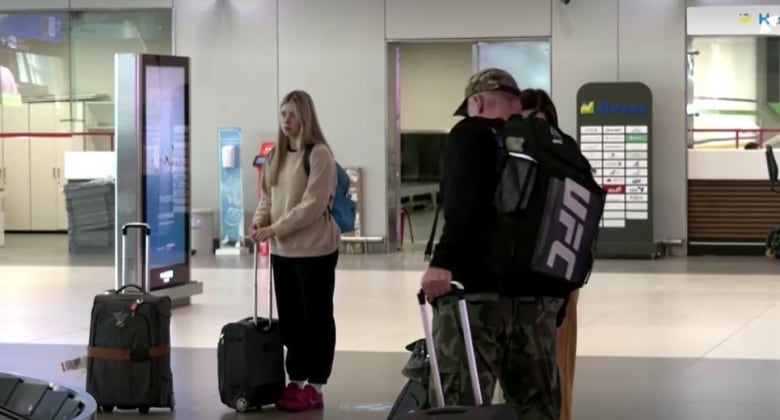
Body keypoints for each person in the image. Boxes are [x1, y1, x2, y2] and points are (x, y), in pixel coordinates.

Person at [420, 69, 564, 419]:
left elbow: (463, 205)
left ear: (477, 101)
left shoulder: (469, 134)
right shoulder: (548, 143)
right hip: (538, 297)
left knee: (465, 401)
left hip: (479, 295)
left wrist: (442, 262)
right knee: (536, 403)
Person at [250, 90, 340, 412]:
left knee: (315, 318)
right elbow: (267, 197)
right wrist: (260, 222)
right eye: (282, 114)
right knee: (291, 321)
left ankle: (315, 385)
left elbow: (312, 206)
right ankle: (296, 379)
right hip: (284, 251)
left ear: (305, 117)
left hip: (315, 250)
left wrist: (275, 228)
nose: (286, 120)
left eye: (292, 114)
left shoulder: (319, 155)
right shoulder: (275, 155)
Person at [519, 88, 579, 420]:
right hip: (517, 273)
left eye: (538, 122)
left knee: (555, 358)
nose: (532, 130)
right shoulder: (509, 151)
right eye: (526, 121)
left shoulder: (564, 154)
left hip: (557, 270)